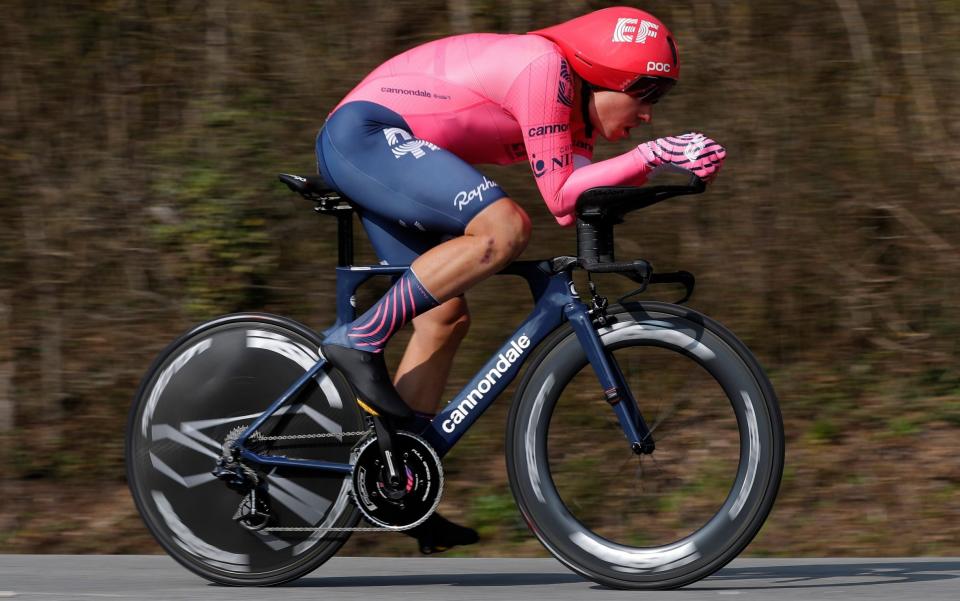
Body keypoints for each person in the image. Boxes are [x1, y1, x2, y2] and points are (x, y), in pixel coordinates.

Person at [315, 6, 726, 553]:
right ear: (605, 77)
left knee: (443, 317)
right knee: (504, 228)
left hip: (383, 144)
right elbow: (560, 197)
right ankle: (361, 336)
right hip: (365, 134)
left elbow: (574, 200)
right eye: (646, 95)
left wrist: (659, 169)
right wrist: (652, 155)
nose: (648, 115)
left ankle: (399, 482)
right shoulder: (545, 70)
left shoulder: (573, 111)